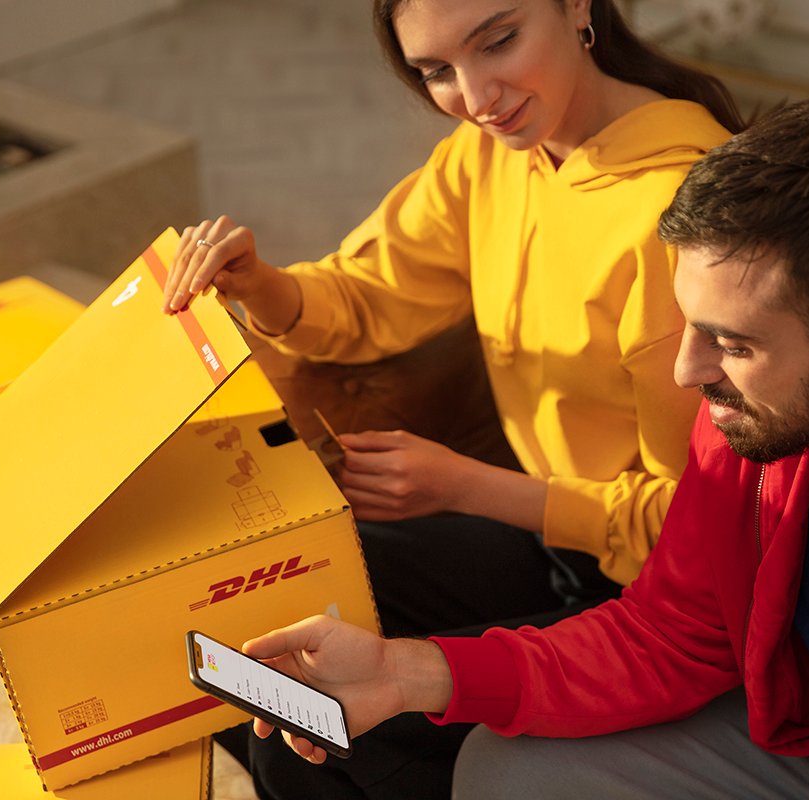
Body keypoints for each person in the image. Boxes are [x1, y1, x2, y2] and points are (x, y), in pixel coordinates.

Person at [239, 94, 809, 799]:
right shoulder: (756, 423)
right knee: (503, 769)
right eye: (691, 325)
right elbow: (672, 632)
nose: (689, 371)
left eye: (733, 344)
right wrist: (411, 673)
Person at [163, 1, 743, 796]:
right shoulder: (492, 154)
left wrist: (463, 486)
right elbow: (371, 293)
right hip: (549, 546)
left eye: (498, 42)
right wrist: (258, 283)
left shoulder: (680, 217)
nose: (475, 98)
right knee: (255, 638)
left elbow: (696, 535)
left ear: (578, 6)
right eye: (437, 71)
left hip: (653, 596)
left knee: (313, 730)